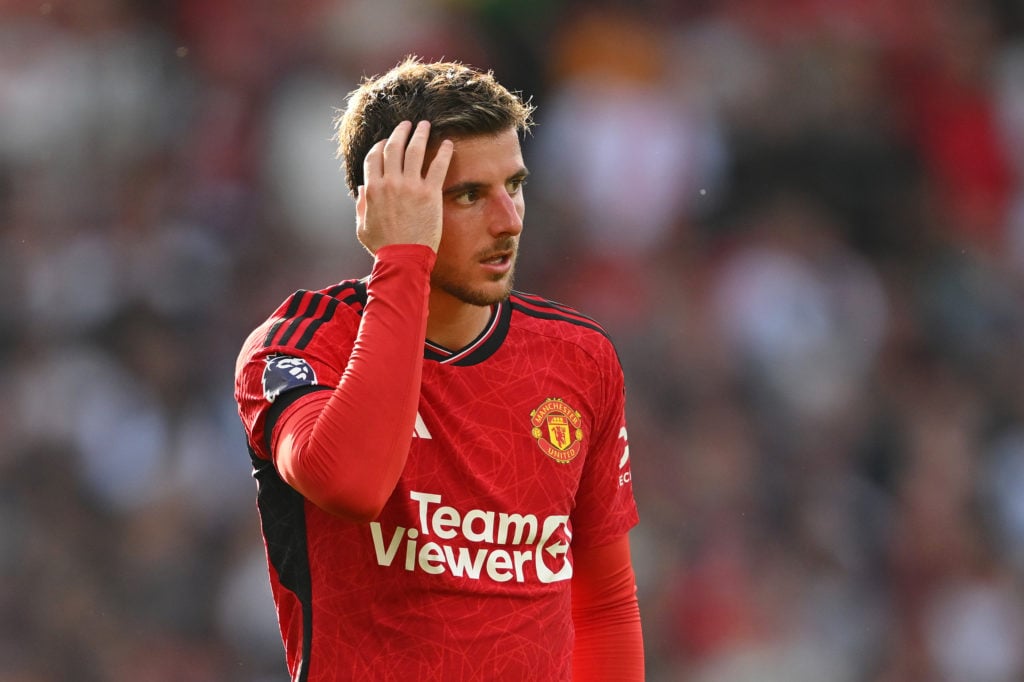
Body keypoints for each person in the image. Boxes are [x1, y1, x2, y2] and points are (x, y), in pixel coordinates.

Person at [234, 56, 644, 681]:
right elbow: (352, 483)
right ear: (391, 206)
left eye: (515, 185)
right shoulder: (303, 343)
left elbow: (605, 602)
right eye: (468, 195)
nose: (508, 221)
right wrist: (402, 258)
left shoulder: (579, 357)